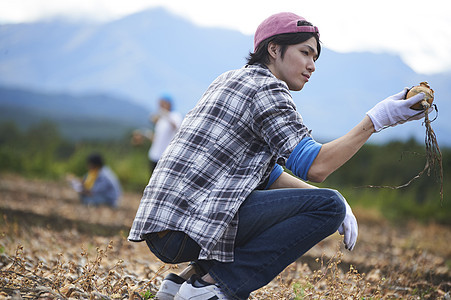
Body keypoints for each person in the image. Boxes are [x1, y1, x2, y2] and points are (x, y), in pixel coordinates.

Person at [128, 12, 428, 300]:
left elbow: (267, 175)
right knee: (328, 206)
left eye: (315, 57)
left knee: (325, 201)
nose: (312, 65)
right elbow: (316, 165)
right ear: (274, 48)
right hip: (189, 228)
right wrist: (377, 119)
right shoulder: (267, 88)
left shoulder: (230, 79)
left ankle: (182, 281)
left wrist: (331, 201)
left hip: (164, 227)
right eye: (305, 52)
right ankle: (213, 288)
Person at [148, 94, 183, 174]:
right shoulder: (161, 118)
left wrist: (164, 114)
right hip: (154, 155)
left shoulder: (175, 116)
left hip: (165, 157)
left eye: (162, 103)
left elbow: (176, 127)